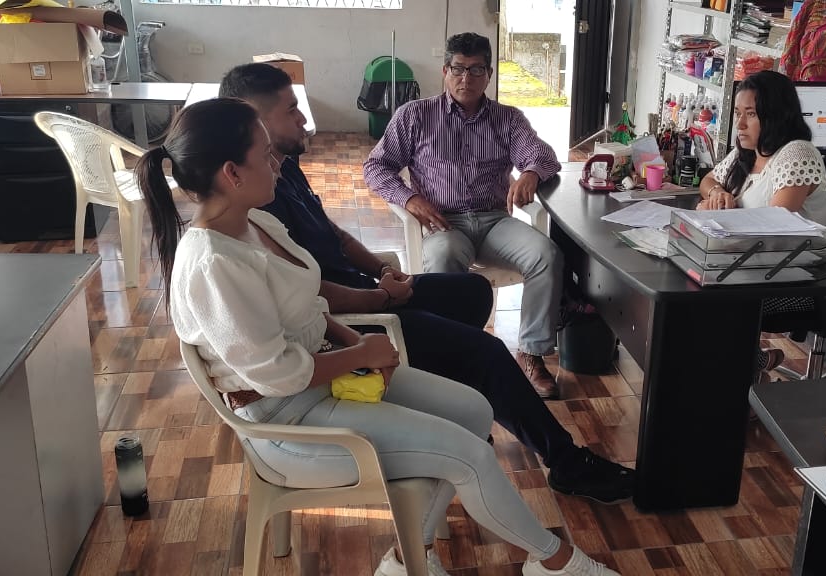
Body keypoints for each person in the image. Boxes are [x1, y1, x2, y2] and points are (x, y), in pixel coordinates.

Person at [138, 98, 619, 576]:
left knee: (475, 412)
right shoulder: (215, 264)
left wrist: (356, 343)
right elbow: (279, 376)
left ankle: (408, 559)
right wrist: (359, 353)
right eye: (265, 155)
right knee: (471, 456)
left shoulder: (256, 223)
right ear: (232, 174)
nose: (277, 164)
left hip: (324, 381)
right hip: (288, 422)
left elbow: (310, 304)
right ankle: (556, 562)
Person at [218, 63, 634, 504]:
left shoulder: (284, 169)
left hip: (371, 287)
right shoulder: (257, 203)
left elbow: (334, 235)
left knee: (473, 292)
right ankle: (565, 463)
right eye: (291, 110)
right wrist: (381, 297)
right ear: (252, 121)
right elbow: (310, 295)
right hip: (345, 322)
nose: (304, 119)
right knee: (489, 352)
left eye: (478, 70)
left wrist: (381, 272)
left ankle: (460, 404)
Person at [363, 32, 565, 398]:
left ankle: (532, 353)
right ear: (445, 71)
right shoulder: (415, 115)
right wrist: (409, 198)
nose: (465, 79)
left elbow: (543, 155)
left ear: (489, 74)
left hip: (494, 221)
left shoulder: (508, 119)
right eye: (458, 69)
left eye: (476, 70)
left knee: (546, 255)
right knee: (443, 256)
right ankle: (453, 353)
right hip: (443, 222)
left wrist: (532, 173)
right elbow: (376, 167)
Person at [696, 70, 826, 378]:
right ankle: (746, 367)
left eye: (751, 114)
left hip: (805, 277)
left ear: (776, 115)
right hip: (755, 266)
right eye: (738, 113)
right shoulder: (747, 153)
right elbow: (707, 180)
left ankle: (740, 378)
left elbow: (773, 227)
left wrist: (718, 215)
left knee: (711, 303)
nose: (740, 124)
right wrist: (716, 193)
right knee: (694, 290)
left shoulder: (797, 153)